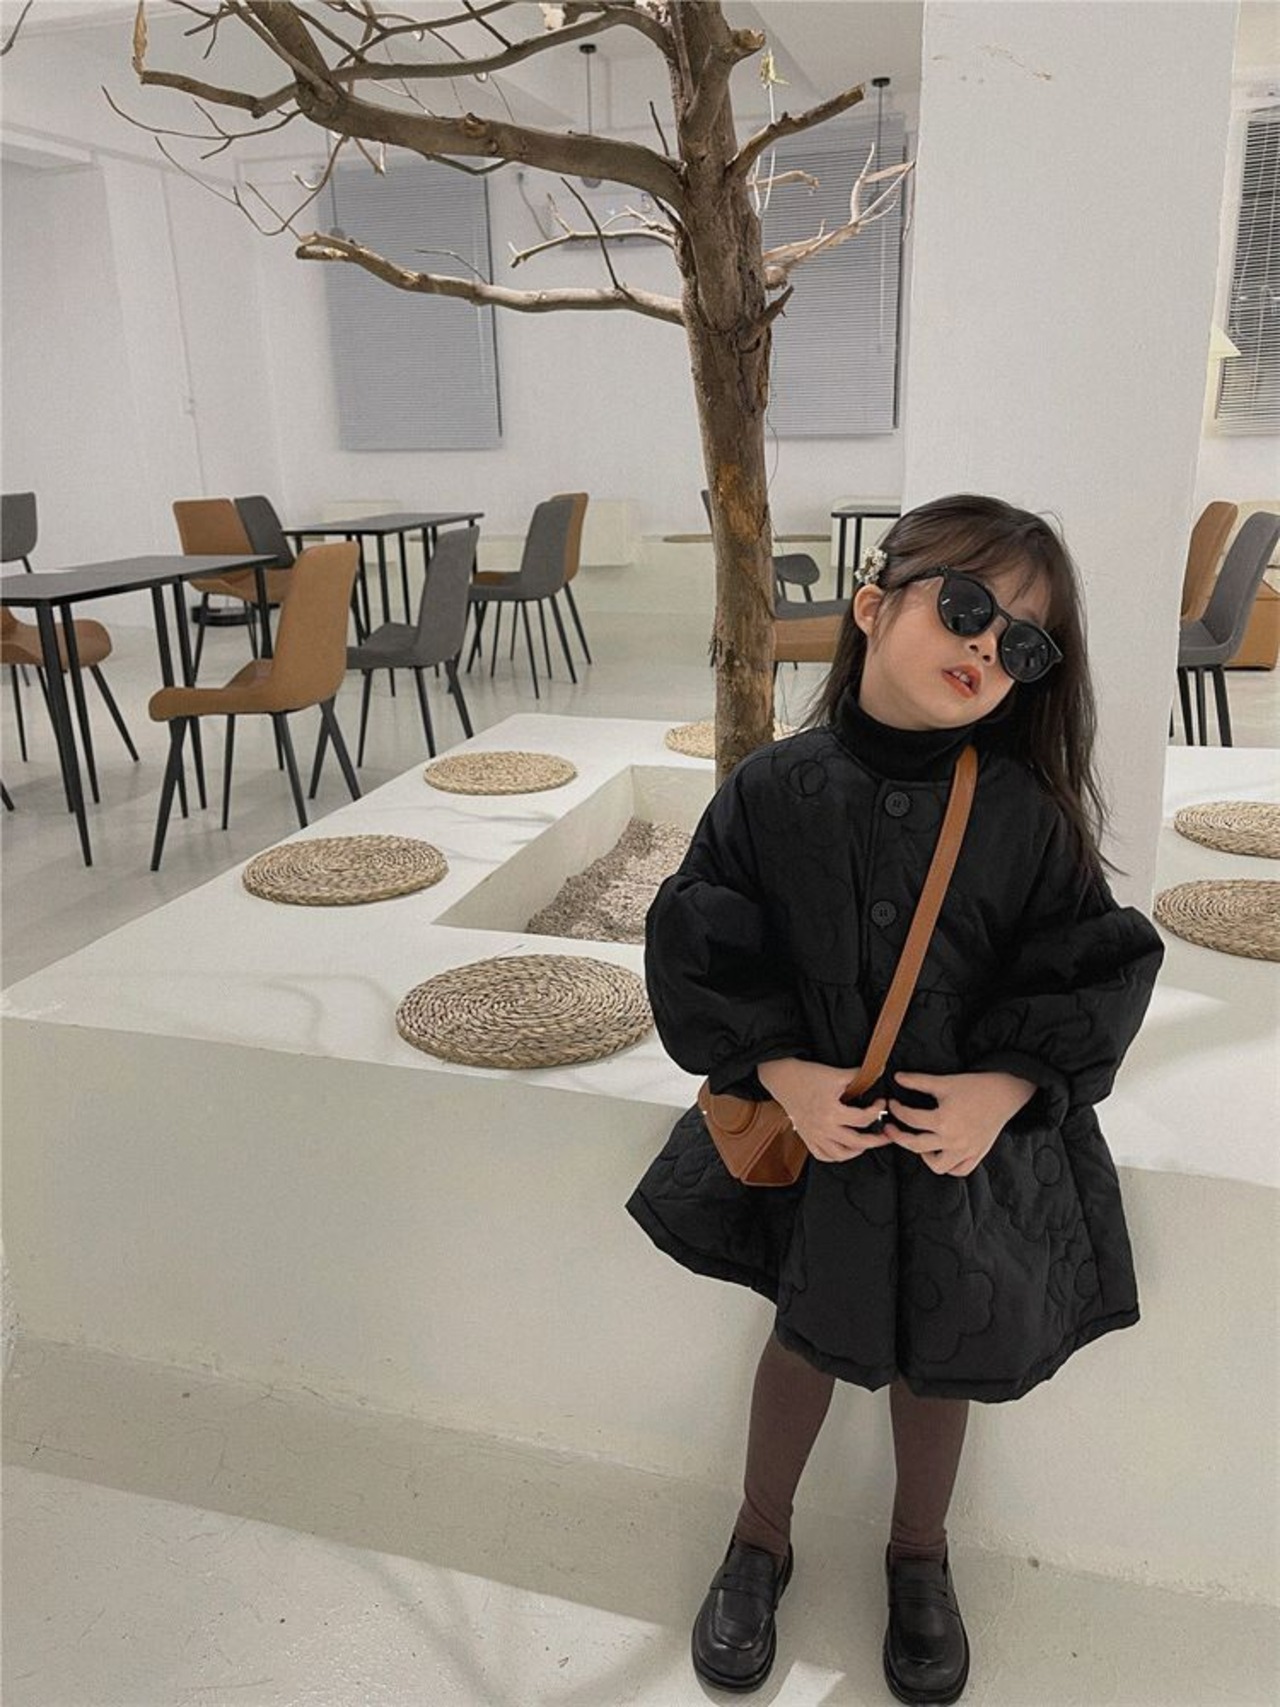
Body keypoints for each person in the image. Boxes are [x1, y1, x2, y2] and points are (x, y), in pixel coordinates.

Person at [626, 494, 1164, 1705]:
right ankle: (757, 1538)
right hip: (817, 1147)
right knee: (801, 1335)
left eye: (1021, 642)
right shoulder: (771, 790)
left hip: (954, 1157)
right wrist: (781, 1072)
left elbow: (1089, 969)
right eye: (964, 607)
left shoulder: (1024, 818)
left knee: (943, 1353)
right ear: (871, 606)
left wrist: (1002, 1088)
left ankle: (918, 1555)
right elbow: (701, 941)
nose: (985, 647)